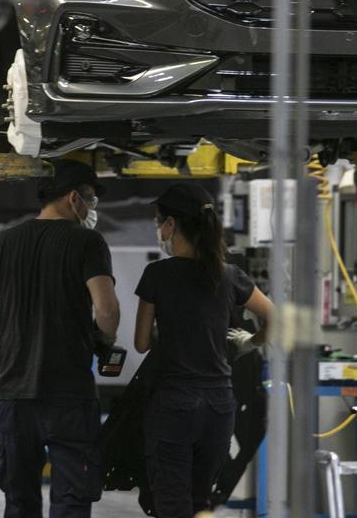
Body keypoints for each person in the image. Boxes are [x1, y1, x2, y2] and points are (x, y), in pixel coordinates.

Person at [0, 160, 120, 518]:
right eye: (91, 200)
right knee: (71, 499)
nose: (92, 209)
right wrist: (102, 342)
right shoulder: (87, 241)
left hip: (17, 393)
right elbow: (107, 311)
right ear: (74, 197)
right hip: (70, 393)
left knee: (20, 500)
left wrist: (3, 359)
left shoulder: (1, 242)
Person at [134, 182, 273, 518]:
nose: (158, 228)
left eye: (158, 221)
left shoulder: (157, 274)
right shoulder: (229, 275)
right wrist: (249, 342)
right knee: (200, 503)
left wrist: (168, 336)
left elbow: (140, 344)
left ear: (171, 224)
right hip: (219, 405)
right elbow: (275, 316)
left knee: (171, 504)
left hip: (175, 404)